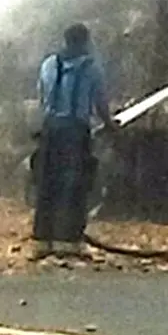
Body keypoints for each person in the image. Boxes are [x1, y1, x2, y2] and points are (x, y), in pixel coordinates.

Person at [32, 22, 119, 260]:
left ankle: (42, 241)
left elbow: (42, 98)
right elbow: (100, 103)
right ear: (84, 42)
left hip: (50, 131)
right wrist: (110, 124)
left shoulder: (48, 64)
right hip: (75, 131)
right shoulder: (92, 68)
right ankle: (69, 241)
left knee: (47, 184)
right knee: (74, 185)